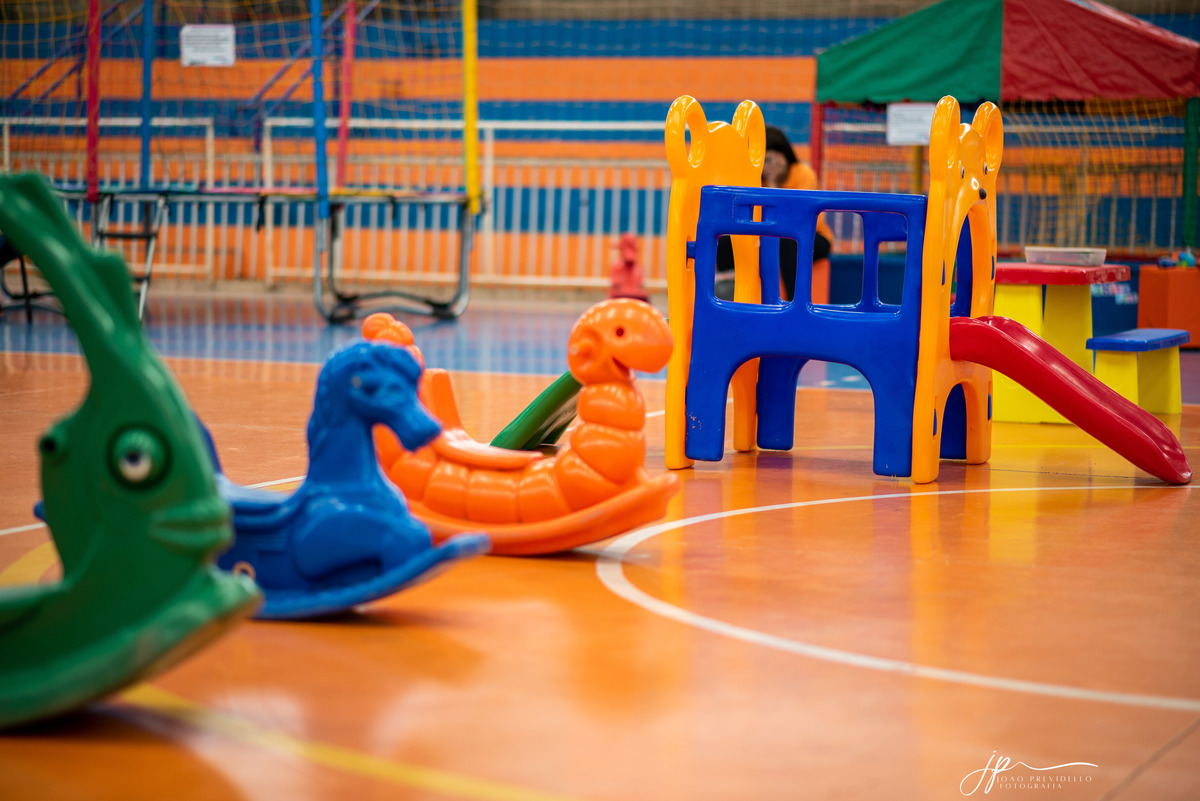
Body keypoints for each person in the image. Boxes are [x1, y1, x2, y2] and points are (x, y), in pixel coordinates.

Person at [714, 124, 833, 303]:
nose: (764, 167)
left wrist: (774, 185)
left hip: (811, 236)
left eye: (768, 160)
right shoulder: (757, 179)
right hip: (770, 236)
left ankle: (794, 304)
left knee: (786, 240)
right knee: (726, 242)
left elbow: (795, 221)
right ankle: (728, 293)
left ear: (781, 157)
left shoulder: (803, 174)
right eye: (760, 161)